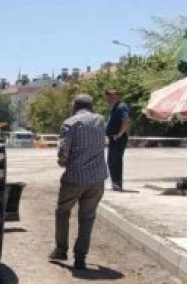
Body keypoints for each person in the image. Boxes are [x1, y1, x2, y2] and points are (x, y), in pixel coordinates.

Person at [50, 93, 109, 270]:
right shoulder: (100, 121)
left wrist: (63, 161)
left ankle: (61, 250)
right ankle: (80, 258)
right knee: (87, 218)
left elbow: (63, 154)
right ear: (91, 106)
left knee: (63, 211)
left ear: (75, 106)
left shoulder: (70, 123)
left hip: (75, 178)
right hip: (97, 178)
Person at [105, 89, 131, 191]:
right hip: (113, 139)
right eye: (108, 97)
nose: (109, 99)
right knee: (111, 161)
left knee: (116, 161)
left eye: (112, 96)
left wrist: (119, 134)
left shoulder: (121, 107)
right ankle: (115, 183)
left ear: (117, 97)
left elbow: (127, 121)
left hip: (118, 139)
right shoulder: (114, 108)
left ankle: (117, 183)